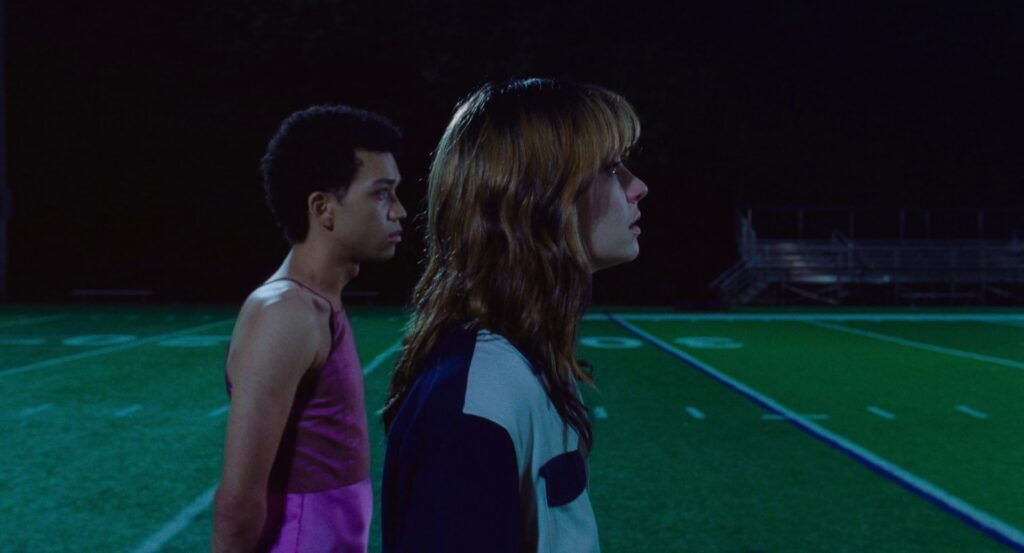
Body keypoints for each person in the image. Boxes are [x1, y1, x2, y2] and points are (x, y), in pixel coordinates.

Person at [380, 78, 648, 552]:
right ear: (537, 196)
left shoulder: (525, 361)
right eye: (611, 168)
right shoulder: (475, 401)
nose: (637, 187)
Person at [213, 105, 406, 553]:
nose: (399, 211)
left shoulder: (320, 302)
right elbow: (238, 503)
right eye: (382, 194)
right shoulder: (284, 314)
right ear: (323, 208)